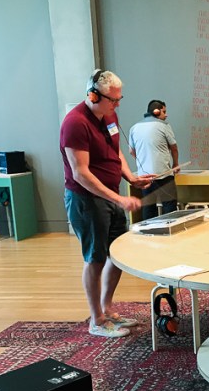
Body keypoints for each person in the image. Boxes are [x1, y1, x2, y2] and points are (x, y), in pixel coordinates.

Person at [60, 69, 154, 338]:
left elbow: (116, 152)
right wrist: (120, 199)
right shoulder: (75, 123)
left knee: (117, 255)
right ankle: (97, 320)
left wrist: (130, 177)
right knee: (95, 259)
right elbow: (81, 173)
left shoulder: (110, 116)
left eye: (119, 99)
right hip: (87, 200)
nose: (117, 105)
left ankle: (108, 309)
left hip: (111, 195)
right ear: (93, 95)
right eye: (113, 100)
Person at [128, 99, 180, 220]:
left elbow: (131, 151)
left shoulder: (134, 128)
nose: (166, 115)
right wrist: (175, 164)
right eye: (164, 111)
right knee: (169, 205)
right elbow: (174, 148)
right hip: (163, 173)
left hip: (144, 176)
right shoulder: (164, 126)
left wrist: (142, 162)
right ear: (156, 112)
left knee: (148, 207)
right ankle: (170, 229)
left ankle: (149, 230)